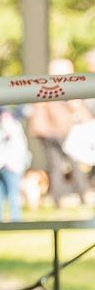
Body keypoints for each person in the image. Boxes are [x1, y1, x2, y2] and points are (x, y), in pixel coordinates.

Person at [28, 58, 93, 208]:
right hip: (63, 131)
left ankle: (58, 198)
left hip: (47, 132)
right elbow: (76, 108)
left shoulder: (43, 88)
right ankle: (82, 194)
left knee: (56, 165)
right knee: (74, 162)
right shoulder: (63, 88)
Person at [0, 107, 30, 222]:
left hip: (0, 164)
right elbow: (16, 146)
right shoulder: (7, 127)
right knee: (13, 193)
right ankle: (15, 219)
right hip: (9, 164)